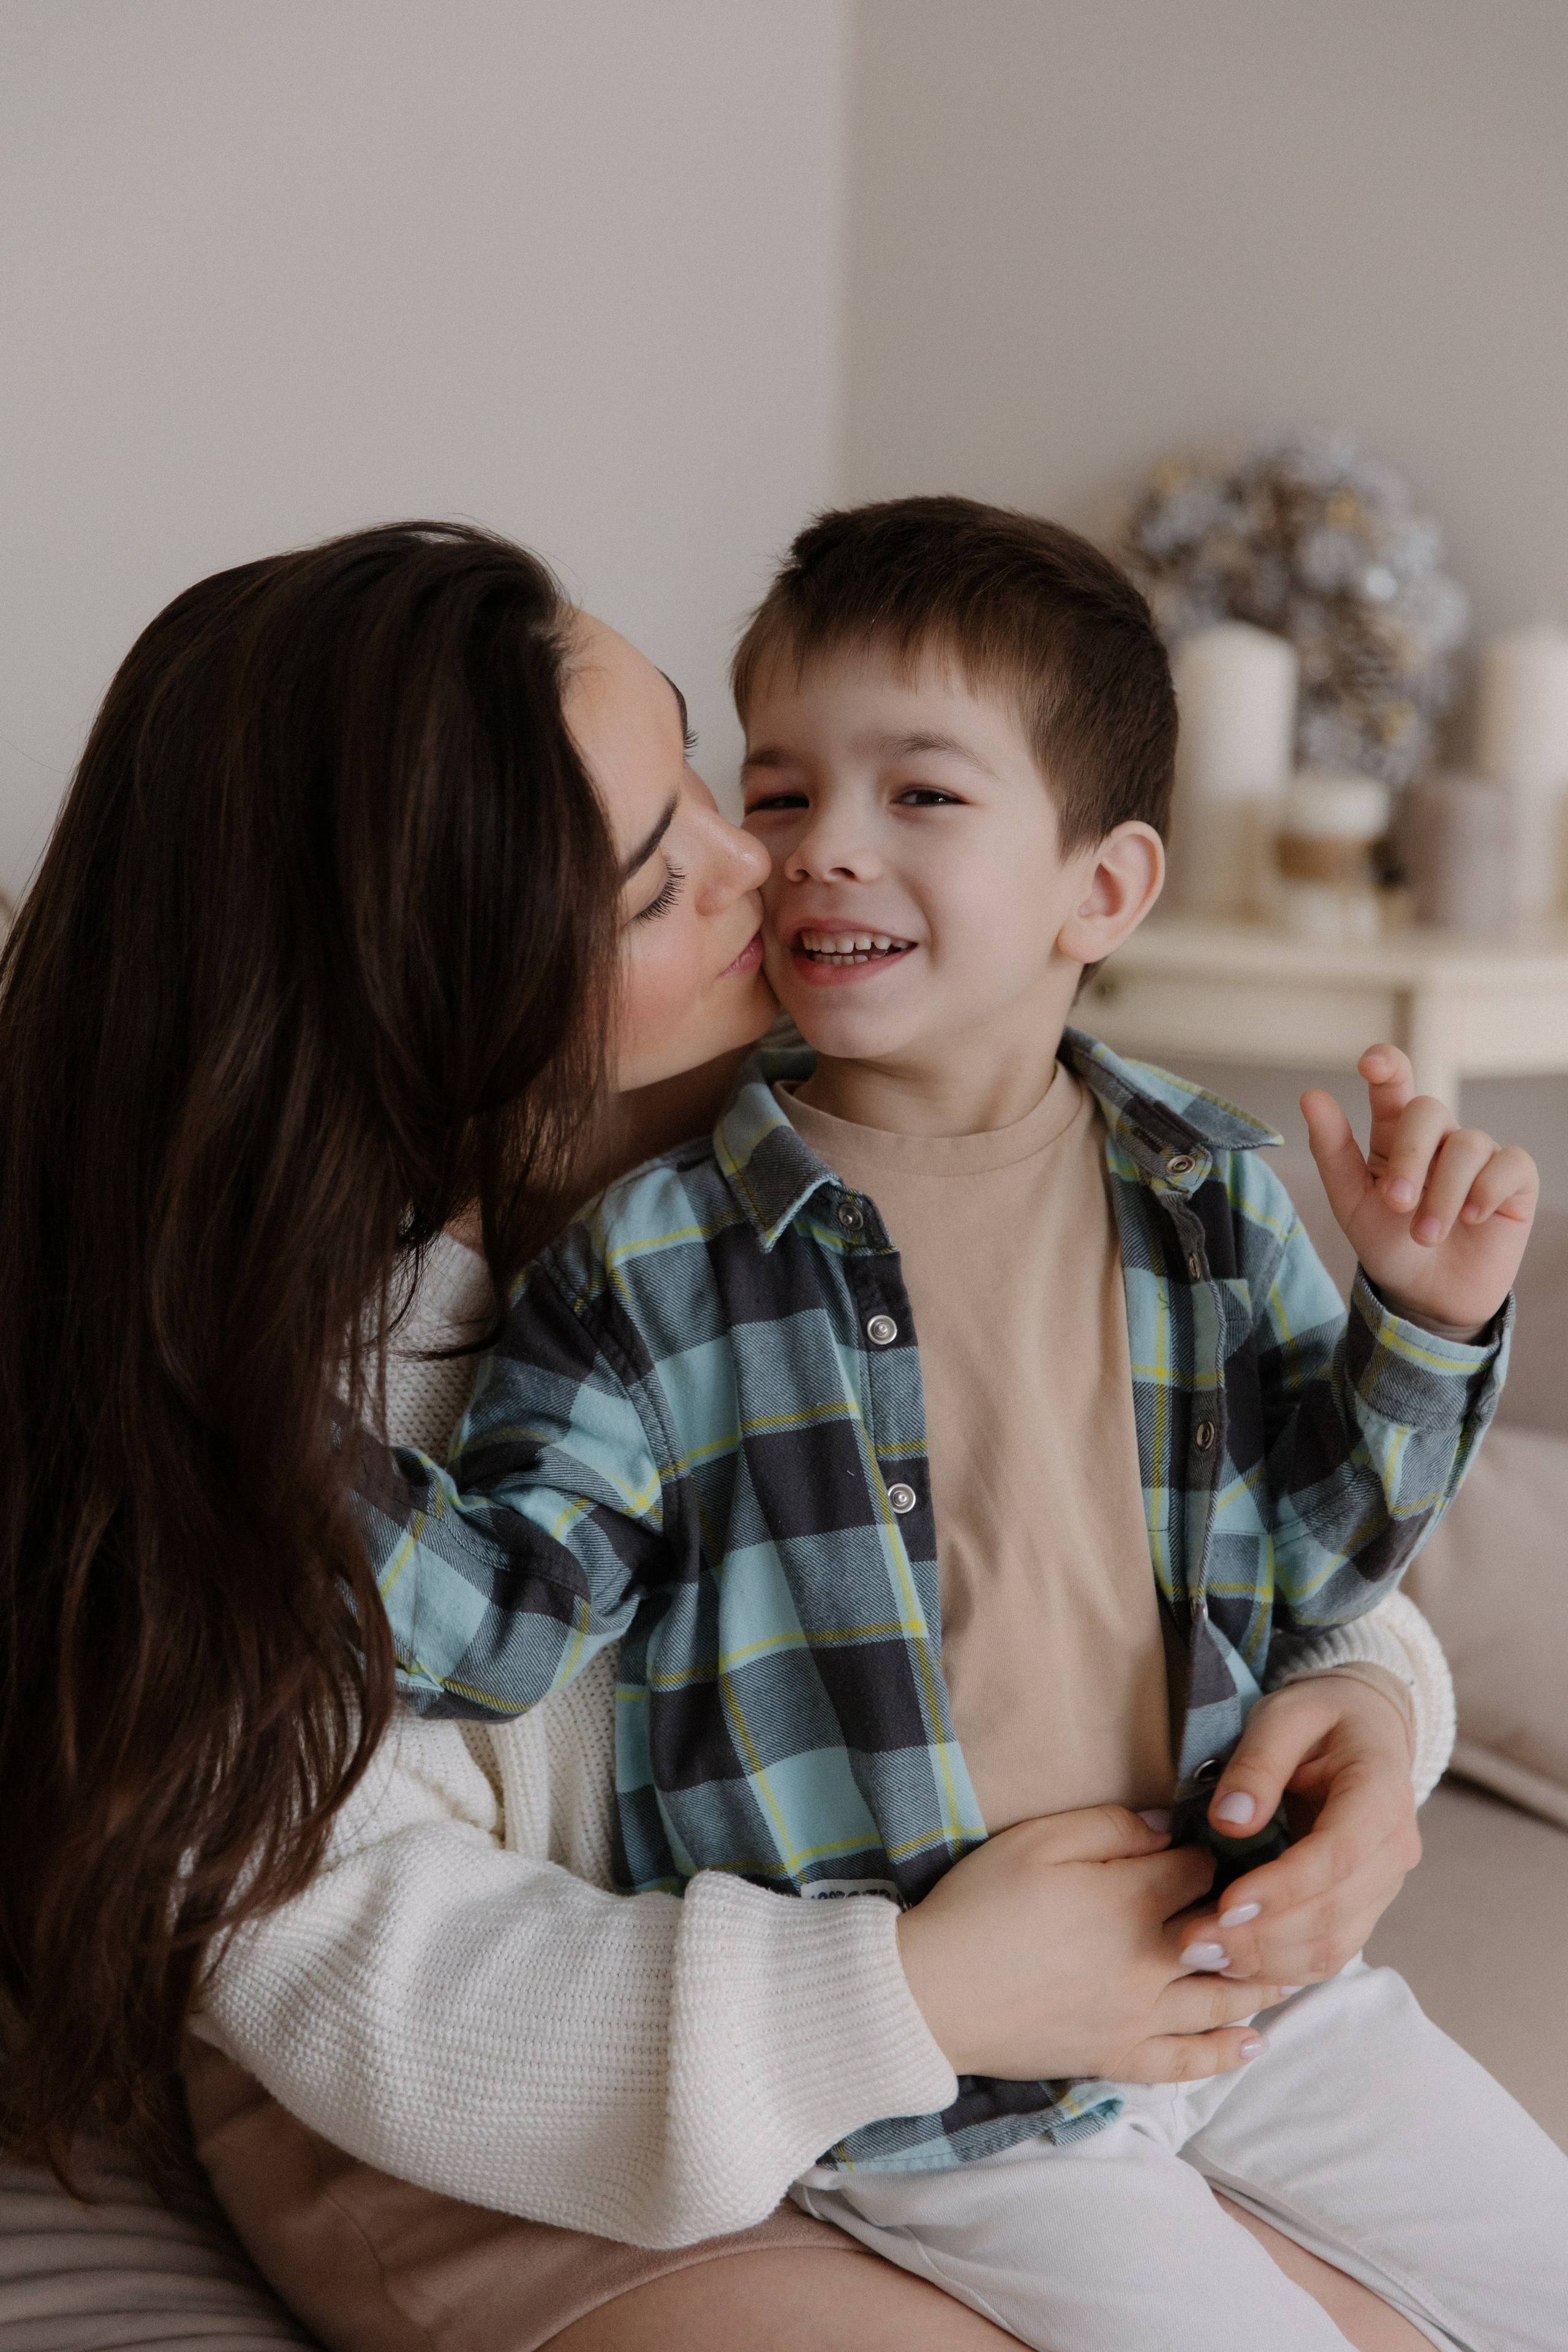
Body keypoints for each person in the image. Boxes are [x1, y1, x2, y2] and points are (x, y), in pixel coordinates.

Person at [0, 513, 1464, 2352]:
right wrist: (915, 1990)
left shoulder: (836, 1110)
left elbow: (1119, 1501)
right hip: (497, 2117)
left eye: (707, 776)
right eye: (647, 886)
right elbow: (373, 1973)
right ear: (430, 990)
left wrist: (1361, 1708)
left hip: (983, 2034)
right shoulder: (257, 1412)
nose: (758, 862)